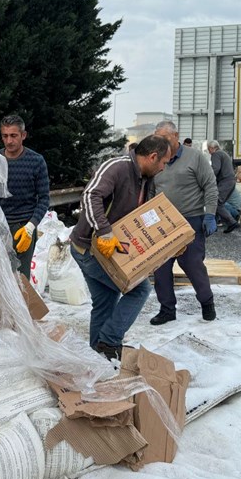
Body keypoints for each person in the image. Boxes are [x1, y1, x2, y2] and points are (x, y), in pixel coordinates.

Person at [69, 135, 172, 360]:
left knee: (105, 302)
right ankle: (109, 341)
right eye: (164, 162)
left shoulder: (146, 179)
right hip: (89, 248)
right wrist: (104, 231)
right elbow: (90, 196)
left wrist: (169, 245)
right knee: (139, 289)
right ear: (153, 157)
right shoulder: (117, 167)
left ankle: (99, 355)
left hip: (105, 250)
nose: (163, 168)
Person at [150, 122, 218, 325]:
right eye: (158, 139)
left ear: (176, 136)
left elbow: (210, 185)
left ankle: (207, 302)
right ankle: (167, 310)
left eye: (165, 138)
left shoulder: (195, 157)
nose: (161, 143)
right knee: (161, 267)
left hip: (190, 219)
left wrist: (210, 214)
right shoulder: (156, 159)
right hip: (163, 222)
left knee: (192, 264)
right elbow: (151, 190)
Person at [0, 114, 50, 280]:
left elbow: (44, 199)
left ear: (23, 135)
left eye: (13, 135)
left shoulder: (36, 162)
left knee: (20, 280)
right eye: (5, 136)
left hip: (23, 228)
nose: (9, 141)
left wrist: (30, 226)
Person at [206, 140, 239, 233]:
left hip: (225, 182)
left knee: (216, 202)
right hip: (230, 181)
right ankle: (216, 224)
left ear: (212, 148)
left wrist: (207, 178)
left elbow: (215, 169)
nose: (209, 151)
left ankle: (231, 222)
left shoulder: (216, 154)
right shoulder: (223, 153)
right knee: (219, 203)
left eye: (208, 149)